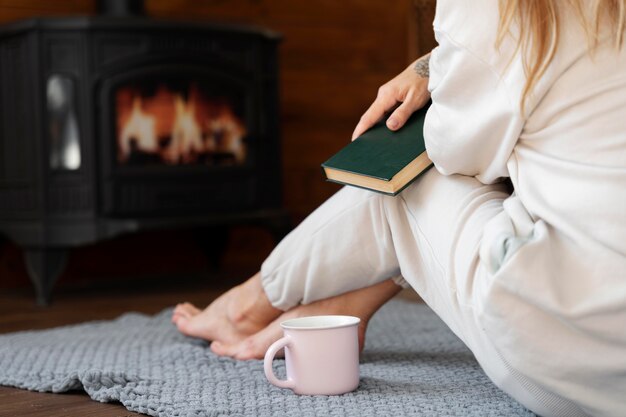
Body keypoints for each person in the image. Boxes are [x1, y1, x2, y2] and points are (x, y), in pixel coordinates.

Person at [172, 1, 626, 416]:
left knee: (410, 181)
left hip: (566, 361)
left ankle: (253, 305)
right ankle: (337, 309)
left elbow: (454, 155)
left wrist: (429, 69)